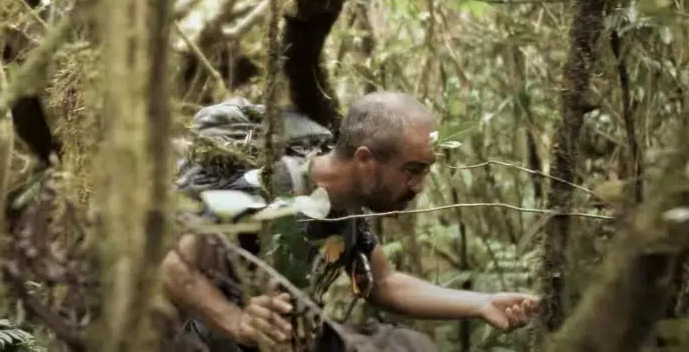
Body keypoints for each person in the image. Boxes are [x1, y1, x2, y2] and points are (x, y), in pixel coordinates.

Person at [162, 91, 540, 351]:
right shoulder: (272, 184)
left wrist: (482, 303)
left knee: (409, 346)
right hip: (214, 337)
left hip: (294, 338)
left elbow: (384, 283)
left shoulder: (349, 206)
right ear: (364, 160)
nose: (419, 187)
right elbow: (174, 267)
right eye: (412, 171)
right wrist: (238, 321)